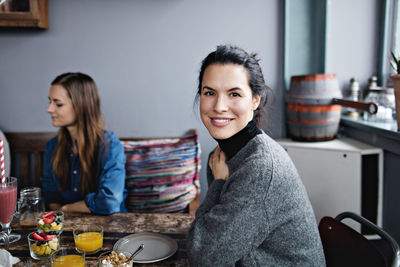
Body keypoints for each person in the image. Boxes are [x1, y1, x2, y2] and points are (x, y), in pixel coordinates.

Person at [187, 45, 326, 266]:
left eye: (234, 94)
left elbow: (203, 256)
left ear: (255, 100)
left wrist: (219, 182)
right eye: (209, 92)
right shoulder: (224, 154)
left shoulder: (260, 168)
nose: (219, 106)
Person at [41, 72, 126, 215]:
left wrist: (66, 208)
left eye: (58, 104)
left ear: (81, 106)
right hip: (68, 227)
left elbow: (110, 202)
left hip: (112, 227)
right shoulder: (52, 147)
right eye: (50, 102)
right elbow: (51, 196)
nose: (49, 109)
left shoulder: (110, 145)